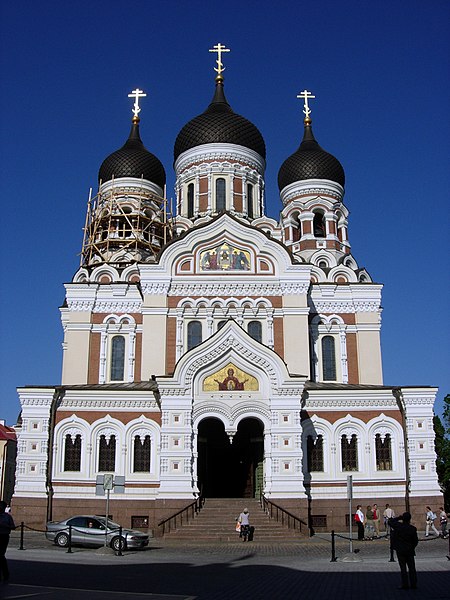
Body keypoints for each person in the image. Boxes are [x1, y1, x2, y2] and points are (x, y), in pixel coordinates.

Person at [388, 512, 418, 590]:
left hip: (400, 550)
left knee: (403, 568)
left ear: (403, 519)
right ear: (410, 519)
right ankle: (413, 583)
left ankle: (405, 584)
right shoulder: (412, 529)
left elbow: (390, 522)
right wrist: (412, 547)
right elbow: (415, 541)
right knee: (412, 568)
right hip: (410, 550)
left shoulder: (398, 526)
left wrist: (398, 518)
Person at [0, 500, 16, 583]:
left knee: (1, 555)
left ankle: (5, 574)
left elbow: (13, 527)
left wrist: (6, 526)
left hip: (4, 536)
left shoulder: (7, 517)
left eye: (2, 506)